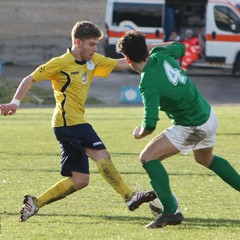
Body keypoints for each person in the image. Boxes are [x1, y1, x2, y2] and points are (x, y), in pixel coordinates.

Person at [0, 21, 156, 222]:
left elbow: (120, 63)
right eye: (91, 44)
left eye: (96, 45)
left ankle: (35, 202)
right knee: (103, 154)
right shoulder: (60, 63)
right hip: (67, 123)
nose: (95, 49)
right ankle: (129, 196)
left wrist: (152, 54)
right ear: (77, 42)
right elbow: (30, 78)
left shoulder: (93, 61)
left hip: (72, 124)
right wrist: (15, 102)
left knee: (80, 180)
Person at [116, 30, 240, 229]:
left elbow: (149, 123)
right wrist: (152, 47)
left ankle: (170, 211)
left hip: (191, 126)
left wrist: (139, 133)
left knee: (148, 157)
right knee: (205, 159)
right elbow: (180, 46)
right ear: (146, 49)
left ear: (128, 59)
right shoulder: (161, 54)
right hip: (208, 115)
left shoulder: (148, 82)